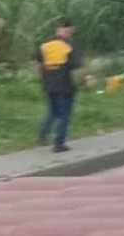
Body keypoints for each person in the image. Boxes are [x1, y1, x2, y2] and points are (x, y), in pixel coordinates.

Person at [37, 17, 83, 153]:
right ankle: (59, 143)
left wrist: (45, 75)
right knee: (64, 114)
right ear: (69, 30)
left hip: (49, 85)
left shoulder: (44, 44)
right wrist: (87, 78)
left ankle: (43, 134)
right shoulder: (68, 45)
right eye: (68, 31)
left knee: (52, 110)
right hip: (65, 85)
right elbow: (78, 66)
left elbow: (38, 63)